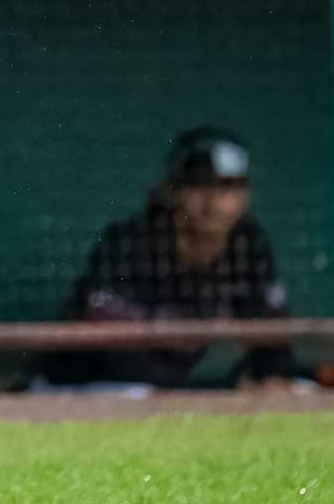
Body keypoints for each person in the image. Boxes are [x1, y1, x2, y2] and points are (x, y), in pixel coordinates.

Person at [52, 127, 301, 390]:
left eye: (228, 186)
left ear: (246, 196)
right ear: (172, 190)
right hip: (91, 387)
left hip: (180, 391)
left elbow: (270, 333)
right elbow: (108, 346)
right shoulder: (131, 240)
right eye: (199, 183)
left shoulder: (249, 244)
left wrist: (270, 375)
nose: (214, 201)